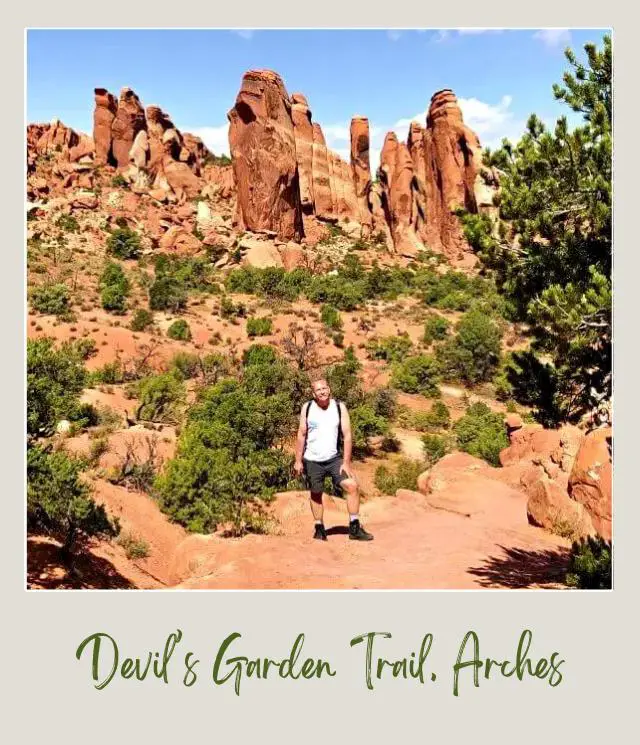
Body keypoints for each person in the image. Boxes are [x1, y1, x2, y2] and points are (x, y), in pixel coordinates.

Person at [294, 379, 374, 542]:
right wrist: (298, 460)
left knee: (351, 486)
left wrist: (346, 462)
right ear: (313, 393)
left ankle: (354, 527)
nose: (322, 392)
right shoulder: (307, 408)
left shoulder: (339, 407)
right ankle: (319, 528)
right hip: (312, 459)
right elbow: (301, 434)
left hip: (334, 459)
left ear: (329, 389)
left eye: (324, 388)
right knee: (316, 493)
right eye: (318, 390)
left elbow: (348, 435)